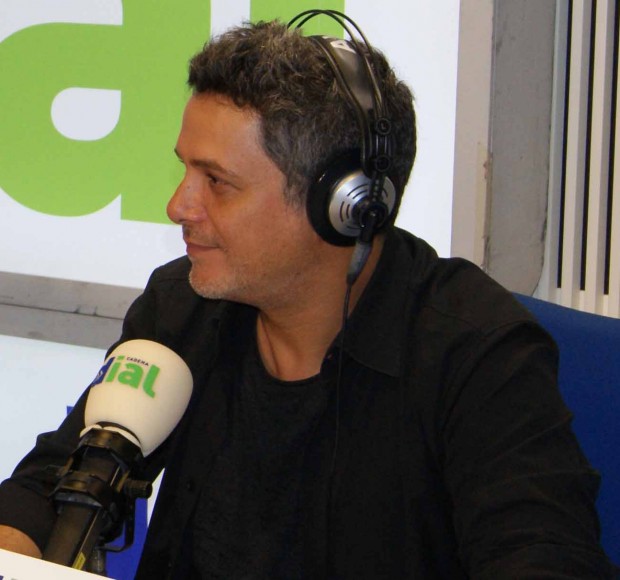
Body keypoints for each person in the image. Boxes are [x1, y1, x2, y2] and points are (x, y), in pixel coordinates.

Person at [0, 13, 614, 579]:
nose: (178, 206)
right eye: (184, 170)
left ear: (342, 206)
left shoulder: (478, 354)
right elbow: (50, 487)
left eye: (217, 182)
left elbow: (545, 559)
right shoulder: (183, 305)